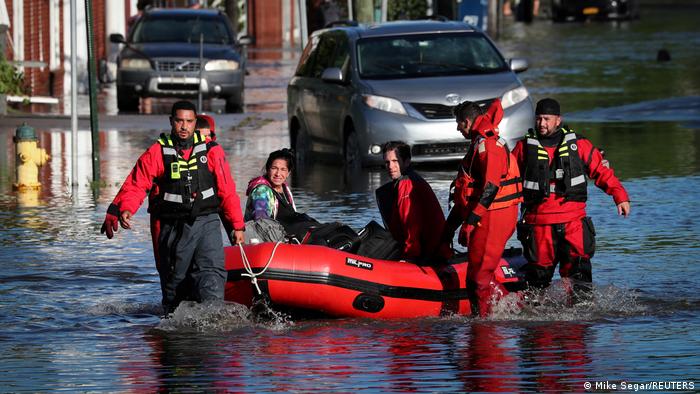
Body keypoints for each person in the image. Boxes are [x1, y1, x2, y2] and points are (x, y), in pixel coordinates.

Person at [100, 100, 246, 314]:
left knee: (212, 272)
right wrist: (126, 208)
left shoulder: (212, 151)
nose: (184, 126)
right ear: (171, 121)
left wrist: (237, 225)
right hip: (172, 227)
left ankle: (213, 321)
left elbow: (227, 190)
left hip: (207, 222)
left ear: (195, 123)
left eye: (189, 121)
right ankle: (175, 325)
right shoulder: (157, 152)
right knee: (176, 281)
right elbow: (137, 183)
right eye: (179, 121)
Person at [512, 98, 631, 304]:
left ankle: (580, 324)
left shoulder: (579, 145)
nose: (542, 124)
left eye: (547, 119)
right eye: (538, 119)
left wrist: (620, 197)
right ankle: (537, 328)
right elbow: (506, 178)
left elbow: (601, 172)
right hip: (539, 225)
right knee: (536, 283)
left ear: (558, 120)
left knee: (580, 280)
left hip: (573, 223)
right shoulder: (523, 148)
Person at [441, 99, 523, 317]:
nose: (458, 129)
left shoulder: (487, 145)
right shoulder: (479, 142)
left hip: (493, 215)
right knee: (479, 275)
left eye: (458, 124)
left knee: (478, 279)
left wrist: (470, 222)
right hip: (488, 214)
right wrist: (450, 228)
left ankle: (484, 325)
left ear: (467, 122)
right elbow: (470, 191)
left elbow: (490, 187)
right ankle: (511, 309)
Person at [375, 141, 448, 262]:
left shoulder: (407, 184)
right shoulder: (407, 181)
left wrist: (409, 257)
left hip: (430, 255)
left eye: (395, 161)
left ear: (407, 161)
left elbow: (411, 224)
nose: (390, 166)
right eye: (387, 162)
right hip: (429, 251)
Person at [244, 149, 297, 223]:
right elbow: (261, 221)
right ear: (267, 169)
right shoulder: (261, 191)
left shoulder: (285, 188)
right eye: (274, 168)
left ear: (288, 173)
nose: (278, 174)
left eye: (283, 169)